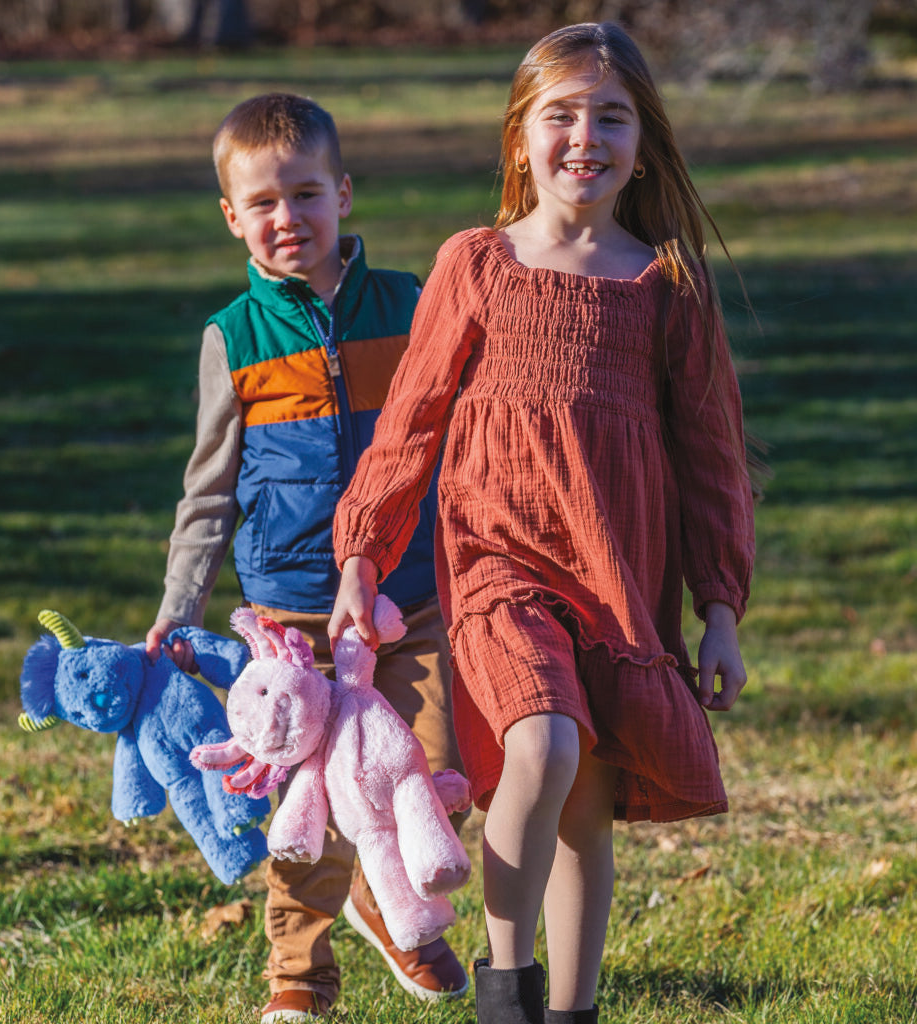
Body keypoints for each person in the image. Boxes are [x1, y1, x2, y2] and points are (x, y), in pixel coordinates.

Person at [329, 22, 756, 1024]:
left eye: (611, 117)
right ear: (520, 135)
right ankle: (504, 984)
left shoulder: (667, 283)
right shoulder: (476, 262)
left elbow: (710, 461)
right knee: (546, 740)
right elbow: (409, 423)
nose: (585, 136)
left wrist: (720, 609)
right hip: (494, 558)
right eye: (560, 114)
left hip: (616, 571)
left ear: (642, 144)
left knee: (585, 809)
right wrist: (361, 553)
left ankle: (570, 1009)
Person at [145, 92, 467, 1023]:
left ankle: (387, 894)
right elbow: (208, 490)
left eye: (307, 193)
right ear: (231, 216)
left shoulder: (410, 305)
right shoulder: (233, 340)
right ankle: (301, 973)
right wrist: (180, 601)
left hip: (408, 600)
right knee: (306, 805)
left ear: (345, 194)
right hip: (288, 621)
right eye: (264, 202)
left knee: (434, 773)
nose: (287, 218)